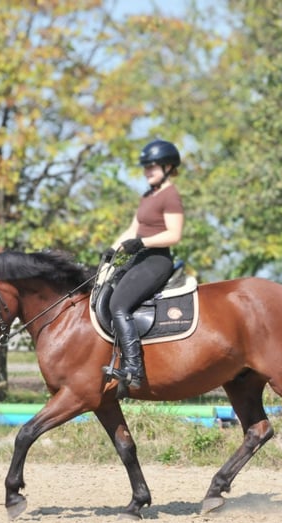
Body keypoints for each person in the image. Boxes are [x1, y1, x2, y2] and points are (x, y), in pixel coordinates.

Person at [103, 138, 185, 399]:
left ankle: (133, 369)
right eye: (145, 167)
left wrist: (142, 243)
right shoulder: (148, 195)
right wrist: (112, 251)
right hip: (138, 257)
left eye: (152, 167)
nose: (147, 171)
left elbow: (174, 234)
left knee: (119, 305)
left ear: (168, 167)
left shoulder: (170, 195)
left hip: (156, 260)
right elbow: (132, 229)